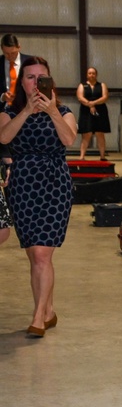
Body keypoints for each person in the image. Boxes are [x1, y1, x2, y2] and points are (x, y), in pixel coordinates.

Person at [0, 56, 78, 337]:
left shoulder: (65, 110)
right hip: (22, 186)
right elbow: (4, 138)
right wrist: (26, 112)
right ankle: (48, 310)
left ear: (50, 81)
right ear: (22, 82)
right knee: (36, 255)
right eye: (30, 78)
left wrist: (52, 111)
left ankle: (37, 318)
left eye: (40, 78)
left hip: (55, 184)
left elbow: (69, 140)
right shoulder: (9, 111)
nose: (35, 83)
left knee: (43, 253)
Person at [76, 67, 111, 160]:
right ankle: (82, 156)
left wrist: (93, 103)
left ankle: (102, 156)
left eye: (93, 73)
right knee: (86, 134)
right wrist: (90, 105)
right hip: (85, 111)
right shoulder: (82, 85)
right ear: (87, 75)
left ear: (96, 75)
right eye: (89, 73)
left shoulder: (102, 85)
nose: (91, 75)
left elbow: (105, 97)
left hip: (100, 110)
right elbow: (80, 97)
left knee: (100, 133)